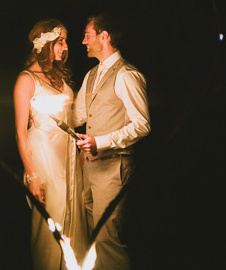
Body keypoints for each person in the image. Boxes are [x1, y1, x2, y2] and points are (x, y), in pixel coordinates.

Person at [73, 14, 151, 270]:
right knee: (92, 237)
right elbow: (78, 116)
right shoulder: (91, 74)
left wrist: (101, 141)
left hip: (113, 167)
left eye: (87, 35)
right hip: (88, 167)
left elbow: (142, 125)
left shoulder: (127, 74)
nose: (83, 41)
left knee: (107, 238)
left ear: (104, 36)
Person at [14, 19, 88, 269]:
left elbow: (72, 119)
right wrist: (33, 176)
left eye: (64, 41)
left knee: (74, 218)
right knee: (50, 225)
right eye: (61, 41)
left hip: (68, 159)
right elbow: (20, 134)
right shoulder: (26, 80)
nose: (65, 47)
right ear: (45, 43)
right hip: (43, 159)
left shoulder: (59, 77)